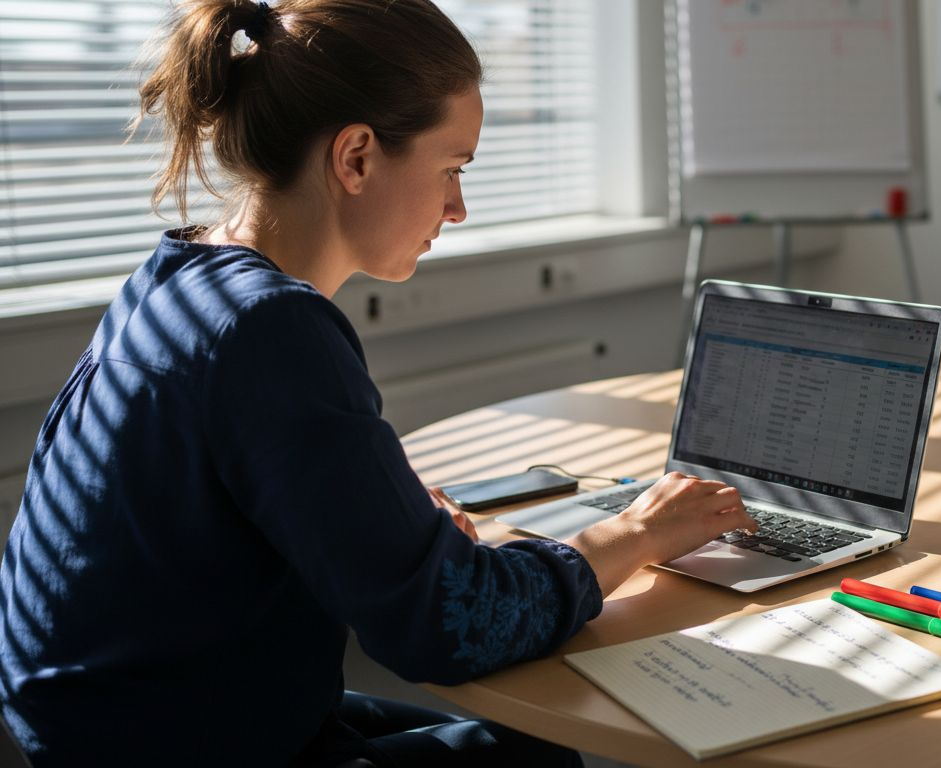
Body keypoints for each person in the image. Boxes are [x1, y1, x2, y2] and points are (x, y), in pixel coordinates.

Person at [0, 1, 756, 765]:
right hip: (171, 744)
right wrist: (636, 534)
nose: (459, 208)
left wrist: (384, 520)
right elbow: (447, 628)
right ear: (356, 156)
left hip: (114, 717)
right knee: (543, 754)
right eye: (452, 169)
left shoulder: (178, 278)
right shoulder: (270, 330)